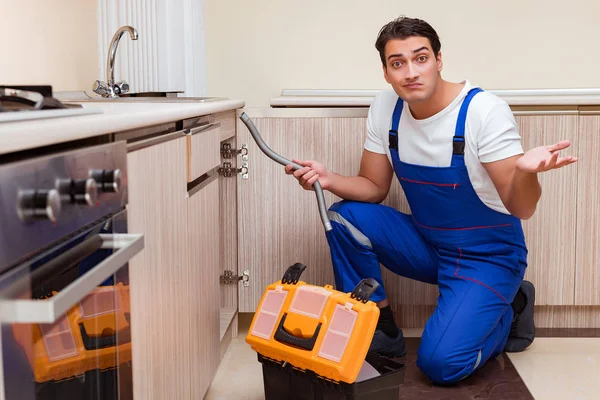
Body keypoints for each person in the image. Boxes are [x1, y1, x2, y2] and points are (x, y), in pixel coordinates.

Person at [285, 16, 578, 385]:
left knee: (441, 366)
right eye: (398, 63)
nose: (410, 72)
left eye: (420, 58)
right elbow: (374, 187)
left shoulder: (482, 112)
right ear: (386, 72)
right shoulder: (386, 109)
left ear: (439, 60)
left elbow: (523, 208)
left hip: (487, 256)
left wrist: (525, 172)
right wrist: (328, 180)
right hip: (428, 244)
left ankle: (509, 307)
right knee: (343, 217)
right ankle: (378, 329)